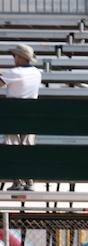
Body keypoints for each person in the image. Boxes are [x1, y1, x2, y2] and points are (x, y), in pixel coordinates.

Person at [0, 43, 41, 191]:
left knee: (12, 146)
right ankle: (29, 180)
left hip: (13, 114)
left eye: (15, 55)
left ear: (20, 57)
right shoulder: (37, 73)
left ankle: (17, 181)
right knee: (28, 146)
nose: (13, 58)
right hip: (31, 115)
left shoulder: (13, 72)